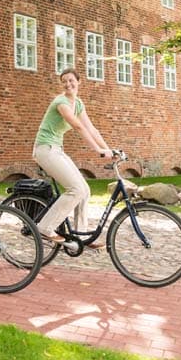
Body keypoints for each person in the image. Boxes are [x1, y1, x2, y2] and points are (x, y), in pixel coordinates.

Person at [32, 68, 113, 247]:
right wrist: (97, 150)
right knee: (75, 189)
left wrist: (109, 150)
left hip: (57, 149)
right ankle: (45, 228)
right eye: (64, 81)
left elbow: (91, 128)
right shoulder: (61, 102)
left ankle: (81, 236)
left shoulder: (78, 104)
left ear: (79, 81)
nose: (68, 84)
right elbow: (78, 127)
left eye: (71, 80)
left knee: (84, 190)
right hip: (45, 149)